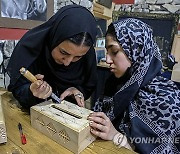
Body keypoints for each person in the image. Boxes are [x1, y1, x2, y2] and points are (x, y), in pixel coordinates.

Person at [88, 18, 180, 153]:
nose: (107, 60)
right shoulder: (114, 84)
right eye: (107, 52)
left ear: (136, 49)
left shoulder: (168, 99)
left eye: (114, 52)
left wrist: (116, 136)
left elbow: (166, 148)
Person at [7, 5, 97, 109]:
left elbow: (89, 85)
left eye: (78, 57)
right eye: (63, 52)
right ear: (54, 38)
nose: (67, 62)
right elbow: (17, 89)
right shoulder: (32, 48)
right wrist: (31, 91)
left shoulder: (88, 55)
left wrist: (77, 91)